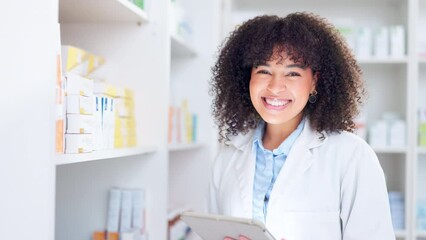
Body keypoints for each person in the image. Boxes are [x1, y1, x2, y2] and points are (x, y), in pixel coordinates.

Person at [208, 12, 395, 240]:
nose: (275, 87)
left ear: (314, 81)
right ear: (248, 77)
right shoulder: (226, 159)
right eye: (264, 71)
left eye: (293, 73)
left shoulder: (352, 157)